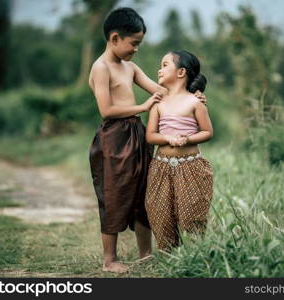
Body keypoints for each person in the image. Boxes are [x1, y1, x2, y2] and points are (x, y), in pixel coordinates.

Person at [88, 8, 205, 273]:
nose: (136, 49)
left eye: (139, 44)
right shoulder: (101, 67)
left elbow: (162, 91)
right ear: (115, 38)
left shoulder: (130, 67)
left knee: (144, 191)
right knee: (114, 193)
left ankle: (145, 254)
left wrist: (191, 97)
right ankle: (109, 260)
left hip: (138, 134)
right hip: (113, 138)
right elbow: (106, 110)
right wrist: (142, 108)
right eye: (134, 43)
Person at [145, 50, 214, 251]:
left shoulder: (195, 102)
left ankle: (193, 255)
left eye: (165, 65)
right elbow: (151, 135)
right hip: (161, 167)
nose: (160, 69)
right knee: (160, 211)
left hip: (190, 167)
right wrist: (168, 138)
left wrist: (187, 139)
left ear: (181, 72)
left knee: (191, 213)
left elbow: (207, 131)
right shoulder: (158, 103)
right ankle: (169, 256)